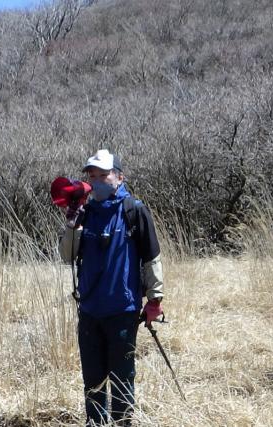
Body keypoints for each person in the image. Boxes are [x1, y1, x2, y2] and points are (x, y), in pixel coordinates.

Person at [59, 149, 164, 426]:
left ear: (119, 177)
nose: (96, 181)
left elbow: (152, 256)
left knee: (122, 377)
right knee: (92, 380)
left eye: (103, 175)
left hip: (123, 309)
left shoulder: (134, 210)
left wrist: (154, 301)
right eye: (92, 176)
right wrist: (72, 224)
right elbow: (68, 256)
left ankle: (122, 423)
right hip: (90, 310)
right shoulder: (85, 212)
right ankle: (95, 423)